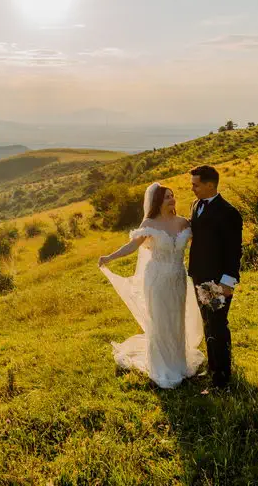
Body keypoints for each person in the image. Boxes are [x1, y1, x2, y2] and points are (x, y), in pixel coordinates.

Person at [97, 182, 204, 388]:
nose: (172, 199)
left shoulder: (183, 223)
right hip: (157, 279)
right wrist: (109, 257)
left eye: (172, 195)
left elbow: (200, 243)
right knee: (160, 320)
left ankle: (178, 362)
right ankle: (161, 366)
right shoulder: (150, 223)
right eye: (167, 197)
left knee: (176, 319)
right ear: (157, 202)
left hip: (178, 277)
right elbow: (131, 246)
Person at [187, 164, 243, 390]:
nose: (192, 189)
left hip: (217, 281)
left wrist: (227, 282)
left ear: (210, 185)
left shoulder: (228, 212)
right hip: (198, 276)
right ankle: (213, 367)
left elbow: (234, 250)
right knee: (207, 323)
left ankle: (222, 379)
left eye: (196, 185)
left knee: (218, 326)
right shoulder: (195, 205)